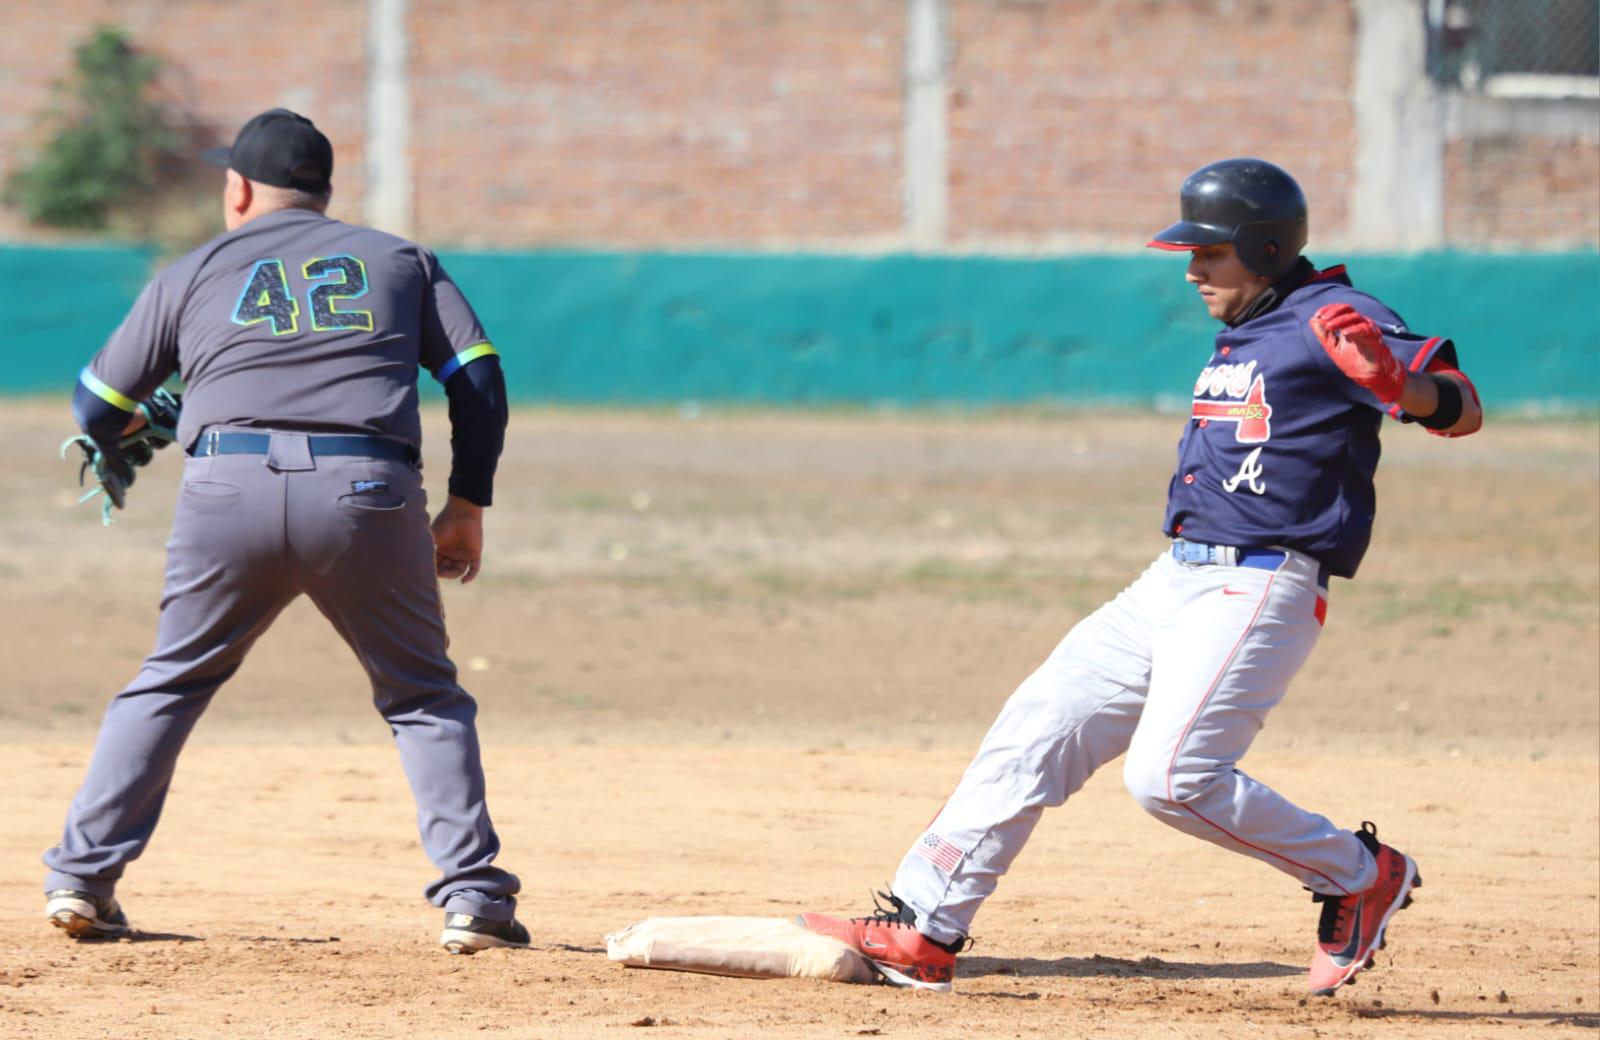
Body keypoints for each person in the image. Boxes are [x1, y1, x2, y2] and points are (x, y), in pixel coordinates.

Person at [799, 158, 1482, 994]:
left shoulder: (1331, 315)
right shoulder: (1250, 323)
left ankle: (1357, 872)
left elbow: (1462, 403)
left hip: (1259, 585)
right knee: (1037, 726)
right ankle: (922, 925)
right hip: (1172, 580)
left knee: (1170, 780)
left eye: (1212, 254)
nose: (1193, 270)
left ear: (1266, 249)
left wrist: (1405, 388)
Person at [43, 108, 527, 954]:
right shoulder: (400, 259)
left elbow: (100, 406)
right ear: (325, 192)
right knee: (421, 695)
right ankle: (474, 901)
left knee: (170, 681)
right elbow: (478, 377)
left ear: (235, 188)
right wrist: (467, 501)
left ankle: (82, 880)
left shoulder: (192, 269)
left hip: (225, 486)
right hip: (366, 490)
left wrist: (158, 413)